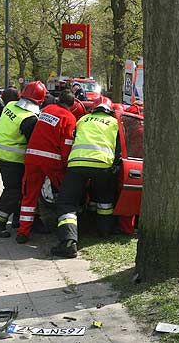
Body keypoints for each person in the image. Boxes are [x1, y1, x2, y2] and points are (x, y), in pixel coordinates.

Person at [51, 99, 120, 258]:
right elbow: (119, 148)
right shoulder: (114, 122)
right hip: (103, 165)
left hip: (77, 164)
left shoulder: (82, 120)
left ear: (94, 109)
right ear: (109, 110)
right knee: (105, 201)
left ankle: (68, 242)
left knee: (67, 203)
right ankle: (104, 232)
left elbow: (73, 138)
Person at [0, 81, 47, 238]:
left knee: (22, 187)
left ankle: (21, 220)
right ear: (40, 101)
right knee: (14, 190)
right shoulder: (30, 119)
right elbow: (34, 143)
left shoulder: (11, 105)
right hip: (10, 158)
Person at [16, 89, 76, 244]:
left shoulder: (46, 110)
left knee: (29, 195)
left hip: (32, 157)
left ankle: (23, 232)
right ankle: (67, 227)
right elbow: (66, 145)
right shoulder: (69, 118)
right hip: (52, 161)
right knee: (65, 193)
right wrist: (66, 164)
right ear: (72, 104)